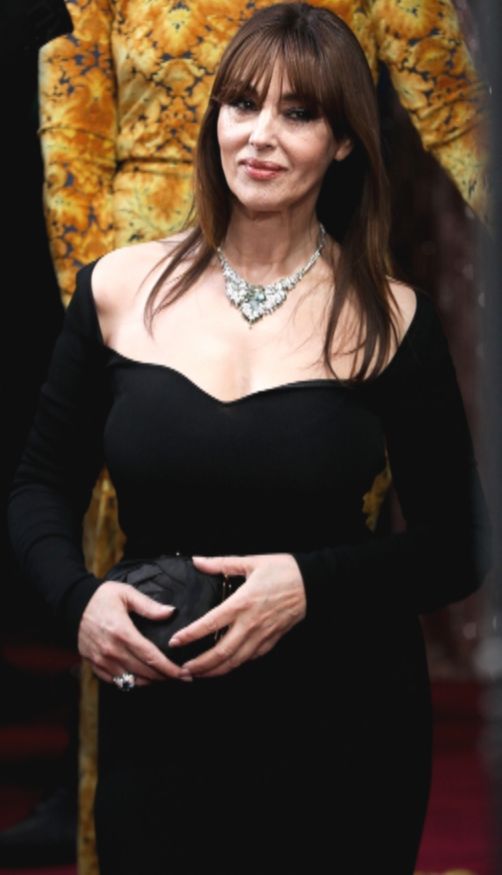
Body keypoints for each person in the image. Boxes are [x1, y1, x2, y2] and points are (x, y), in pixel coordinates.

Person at [8, 3, 492, 873]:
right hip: (162, 730)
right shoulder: (116, 288)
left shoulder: (392, 319)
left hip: (345, 734)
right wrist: (76, 601)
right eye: (241, 103)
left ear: (342, 142)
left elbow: (459, 547)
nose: (260, 135)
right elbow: (39, 486)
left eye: (298, 112)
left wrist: (308, 583)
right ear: (215, 119)